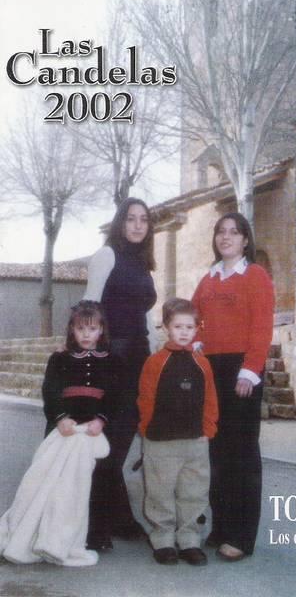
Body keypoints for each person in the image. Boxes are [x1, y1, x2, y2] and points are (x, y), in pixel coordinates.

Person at [0, 301, 114, 567]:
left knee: (80, 489)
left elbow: (117, 395)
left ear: (101, 330)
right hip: (63, 431)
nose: (86, 334)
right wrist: (61, 418)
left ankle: (72, 539)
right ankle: (36, 535)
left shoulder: (111, 361)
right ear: (72, 330)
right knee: (44, 482)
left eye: (92, 329)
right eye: (80, 329)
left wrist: (101, 419)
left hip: (92, 433)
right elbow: (50, 391)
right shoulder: (59, 359)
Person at [192, 212, 275, 561]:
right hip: (210, 371)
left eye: (233, 232)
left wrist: (250, 371)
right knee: (217, 453)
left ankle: (241, 536)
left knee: (241, 454)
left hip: (241, 371)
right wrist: (196, 342)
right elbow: (191, 318)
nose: (226, 237)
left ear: (245, 240)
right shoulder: (208, 280)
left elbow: (262, 327)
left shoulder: (255, 276)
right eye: (220, 232)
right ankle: (222, 527)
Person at [83, 197, 157, 550]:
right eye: (131, 219)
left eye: (144, 219)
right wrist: (90, 360)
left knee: (121, 442)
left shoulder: (143, 264)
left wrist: (156, 358)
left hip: (139, 361)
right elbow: (90, 307)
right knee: (107, 443)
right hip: (111, 360)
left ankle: (117, 518)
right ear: (120, 223)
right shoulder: (107, 255)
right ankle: (98, 527)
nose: (138, 225)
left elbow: (145, 318)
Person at [137, 298, 218, 567]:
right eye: (178, 326)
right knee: (160, 492)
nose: (184, 332)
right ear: (166, 328)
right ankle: (163, 540)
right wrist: (147, 429)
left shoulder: (202, 364)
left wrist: (208, 429)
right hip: (161, 441)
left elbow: (210, 399)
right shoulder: (155, 362)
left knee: (194, 492)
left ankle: (190, 540)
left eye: (189, 327)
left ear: (197, 329)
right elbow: (145, 398)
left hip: (195, 441)